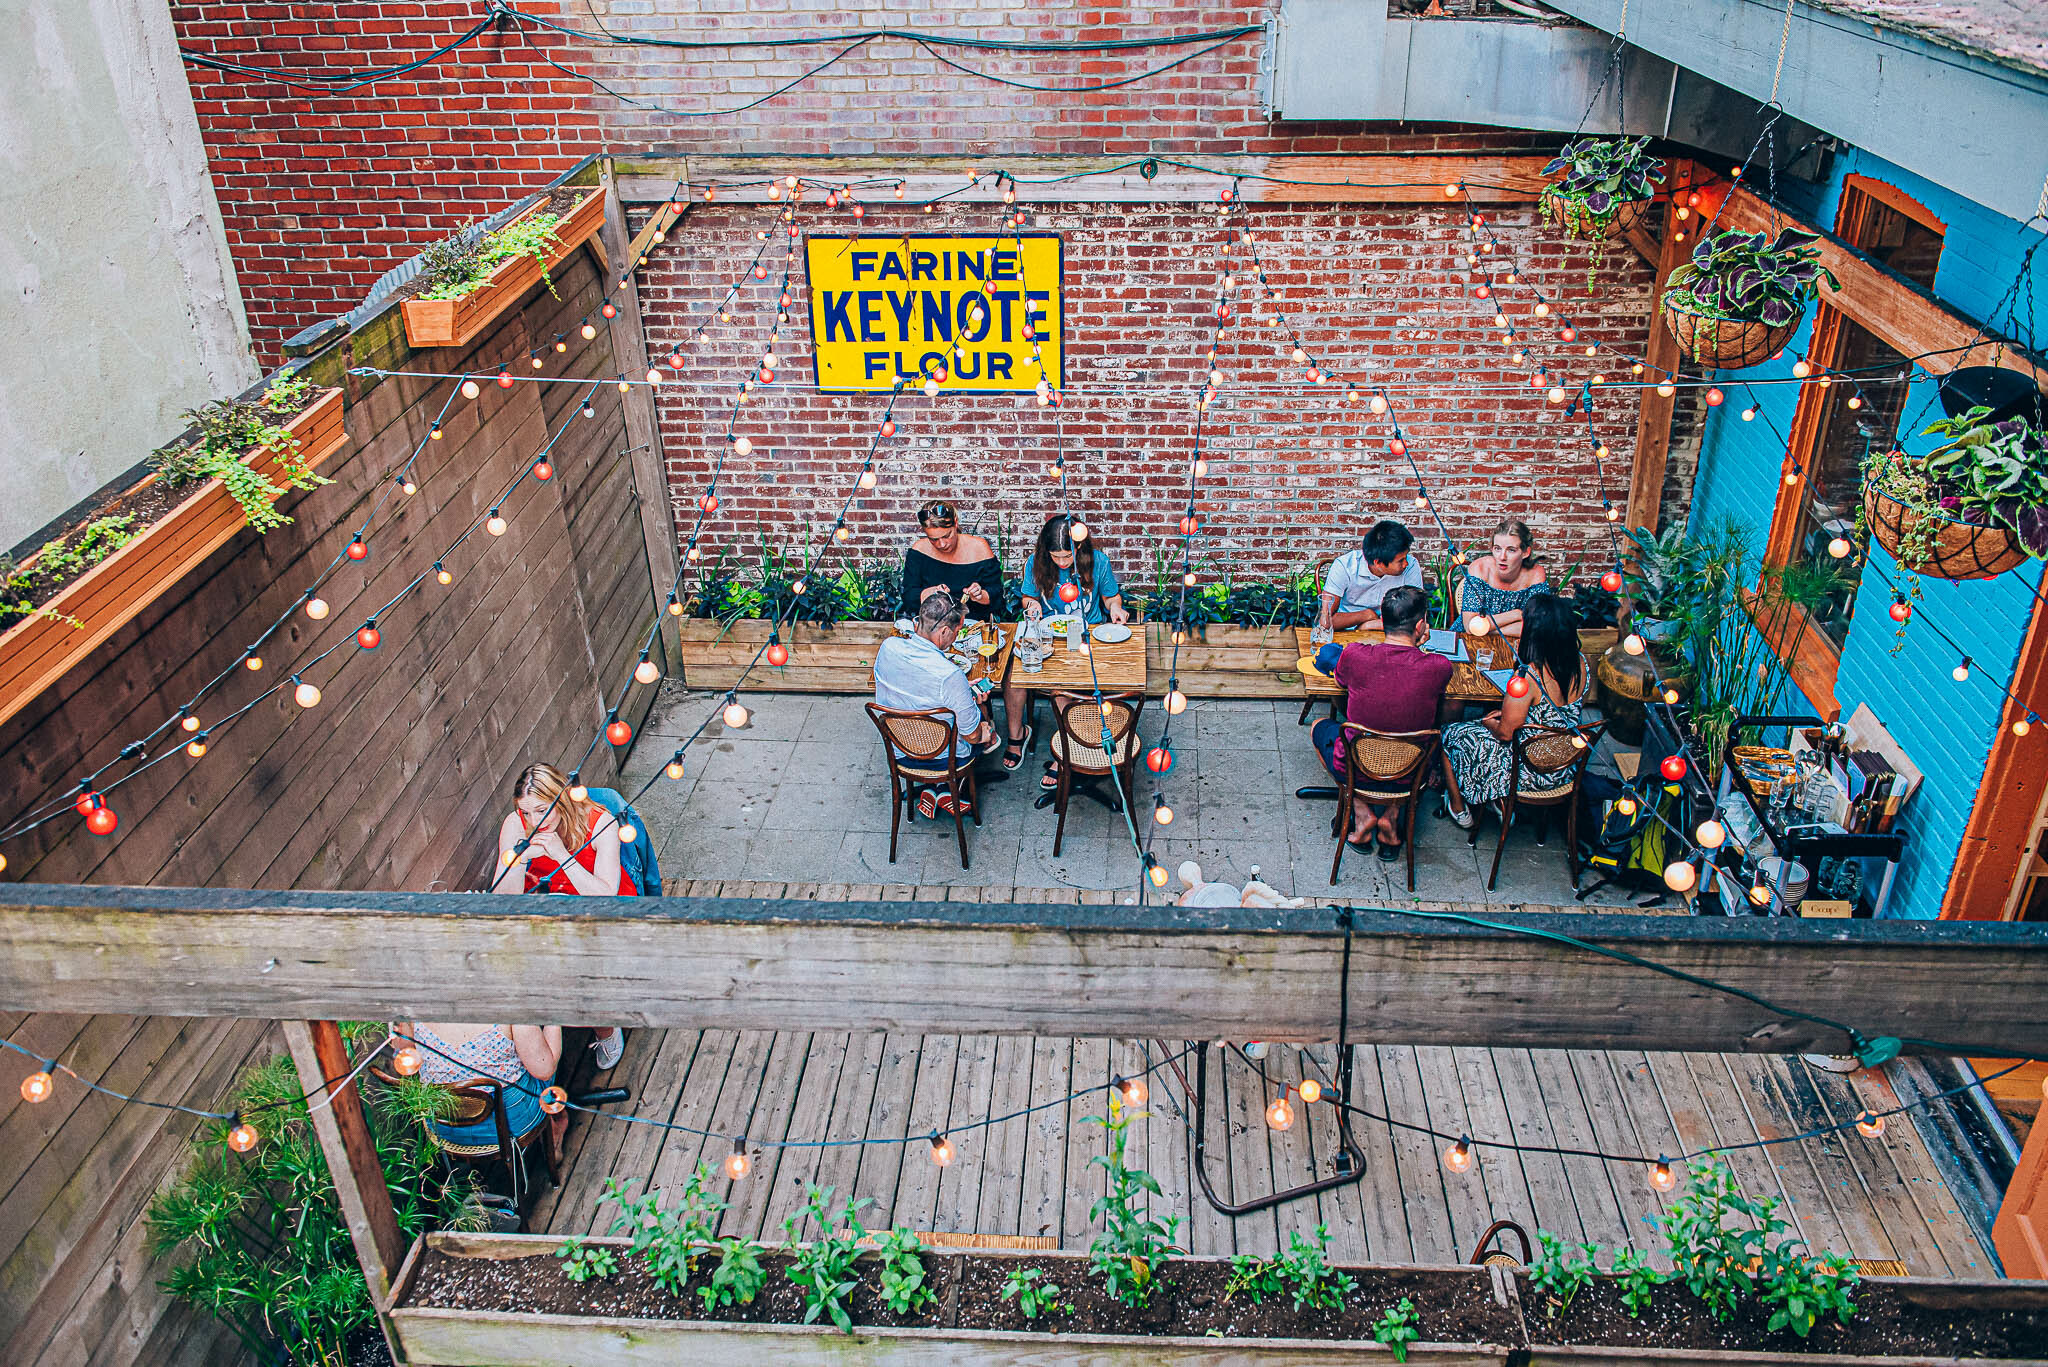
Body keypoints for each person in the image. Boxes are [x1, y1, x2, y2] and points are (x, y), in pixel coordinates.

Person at [490, 763, 629, 1069]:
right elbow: (504, 900)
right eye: (526, 812)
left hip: (597, 910)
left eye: (542, 810)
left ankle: (604, 1027)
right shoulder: (515, 826)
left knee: (581, 975)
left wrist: (561, 856)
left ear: (561, 798)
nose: (534, 821)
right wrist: (517, 861)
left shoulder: (600, 822)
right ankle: (542, 1046)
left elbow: (606, 896)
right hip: (545, 911)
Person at [1310, 586, 1453, 856]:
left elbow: (1336, 669)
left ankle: (1362, 812)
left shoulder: (1356, 656)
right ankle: (1392, 814)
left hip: (1357, 767)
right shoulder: (1439, 667)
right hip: (1410, 772)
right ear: (1421, 625)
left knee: (1319, 728)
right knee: (1414, 736)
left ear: (1383, 623)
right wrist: (1418, 646)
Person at [1441, 593, 1588, 828]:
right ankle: (1496, 801)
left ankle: (1460, 808)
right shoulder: (1580, 663)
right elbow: (1559, 711)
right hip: (1563, 765)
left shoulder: (1529, 677)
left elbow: (1504, 735)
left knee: (1450, 733)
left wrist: (1489, 722)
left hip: (1526, 768)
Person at [1006, 513, 1129, 770]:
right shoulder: (1035, 563)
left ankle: (1066, 752)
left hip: (1086, 636)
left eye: (1067, 556)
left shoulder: (1098, 562)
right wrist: (1033, 609)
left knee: (1059, 689)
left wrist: (1116, 609)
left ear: (1079, 548)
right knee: (1015, 675)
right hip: (1048, 634)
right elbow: (1028, 598)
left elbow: (1111, 598)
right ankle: (1016, 737)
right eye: (1056, 556)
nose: (1062, 562)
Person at [874, 590, 1006, 764]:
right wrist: (984, 731)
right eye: (958, 631)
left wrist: (962, 691)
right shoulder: (950, 675)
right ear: (944, 631)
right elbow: (971, 735)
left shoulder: (888, 646)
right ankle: (949, 784)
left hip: (900, 750)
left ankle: (939, 788)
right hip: (944, 757)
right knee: (983, 725)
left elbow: (917, 683)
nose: (957, 636)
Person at [402, 1021, 563, 1153]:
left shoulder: (413, 1004)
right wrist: (556, 1015)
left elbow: (401, 1047)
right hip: (511, 1125)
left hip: (444, 1127)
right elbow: (545, 1071)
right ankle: (554, 1124)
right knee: (544, 1062)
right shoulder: (511, 1003)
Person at [899, 498, 1004, 623]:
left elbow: (997, 597)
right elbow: (909, 597)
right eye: (933, 539)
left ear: (956, 523)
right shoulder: (919, 550)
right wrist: (931, 593)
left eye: (946, 536)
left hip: (972, 625)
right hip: (931, 626)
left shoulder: (979, 547)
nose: (941, 544)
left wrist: (980, 595)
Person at [1317, 520, 1424, 633]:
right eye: (1400, 560)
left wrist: (1368, 625)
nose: (1406, 563)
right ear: (1378, 562)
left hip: (1392, 634)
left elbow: (1416, 618)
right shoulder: (1345, 566)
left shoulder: (1410, 566)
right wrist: (1366, 615)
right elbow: (1325, 622)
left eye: (1406, 556)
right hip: (1345, 633)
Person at [1458, 518, 1548, 639]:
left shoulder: (1535, 575)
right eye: (1497, 548)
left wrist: (1486, 629)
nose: (1502, 557)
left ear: (1526, 552)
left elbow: (1538, 627)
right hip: (1470, 640)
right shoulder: (1480, 568)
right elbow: (1470, 626)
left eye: (1511, 550)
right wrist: (1516, 615)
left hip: (1514, 644)